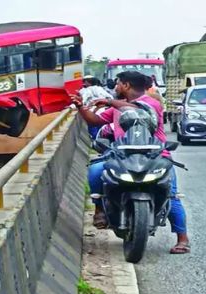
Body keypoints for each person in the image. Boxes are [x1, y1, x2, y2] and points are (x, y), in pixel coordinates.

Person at [72, 71, 191, 254]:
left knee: (170, 194)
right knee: (95, 170)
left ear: (126, 85)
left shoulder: (151, 103)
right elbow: (95, 119)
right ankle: (99, 209)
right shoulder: (117, 108)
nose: (115, 87)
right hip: (121, 154)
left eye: (118, 83)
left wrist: (111, 102)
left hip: (155, 155)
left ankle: (182, 238)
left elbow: (135, 110)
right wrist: (81, 107)